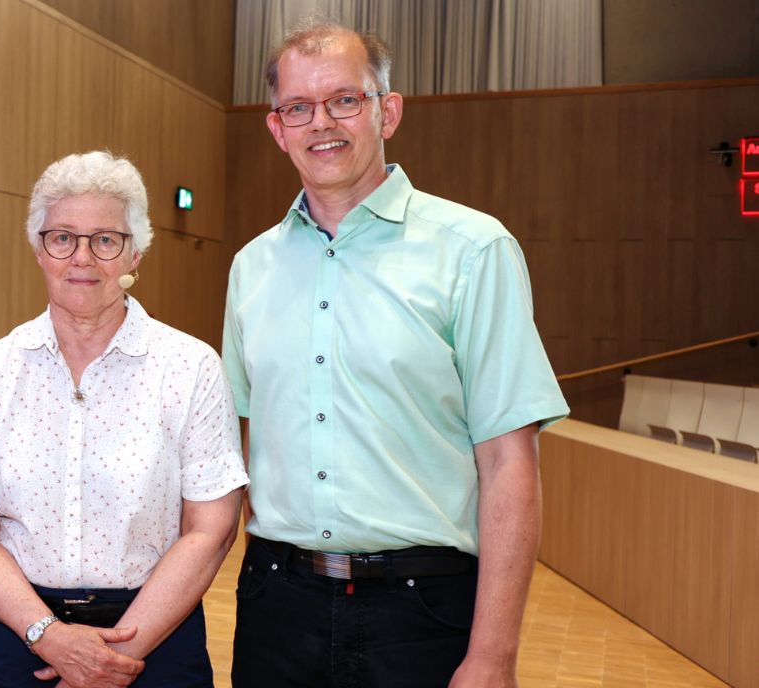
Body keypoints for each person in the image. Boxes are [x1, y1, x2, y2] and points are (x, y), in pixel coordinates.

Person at [222, 19, 570, 688]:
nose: (321, 123)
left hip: (421, 609)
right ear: (277, 128)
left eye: (345, 100)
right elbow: (241, 444)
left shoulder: (473, 251)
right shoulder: (250, 267)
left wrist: (494, 654)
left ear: (389, 111)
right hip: (275, 603)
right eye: (300, 107)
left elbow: (507, 462)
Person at [0, 151, 249, 687]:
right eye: (62, 237)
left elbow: (210, 529)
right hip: (18, 634)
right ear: (39, 249)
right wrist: (49, 635)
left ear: (136, 255)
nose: (82, 257)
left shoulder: (191, 368)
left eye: (106, 240)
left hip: (155, 635)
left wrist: (115, 657)